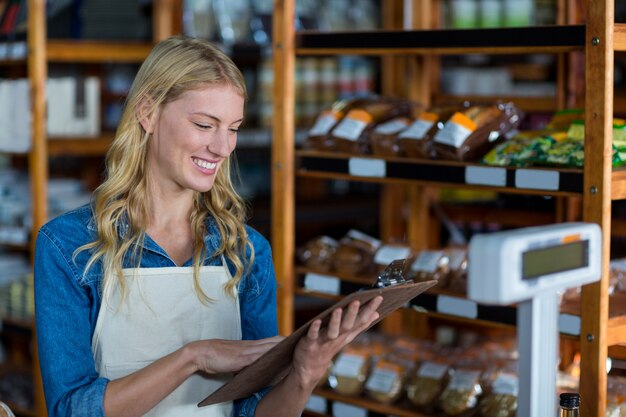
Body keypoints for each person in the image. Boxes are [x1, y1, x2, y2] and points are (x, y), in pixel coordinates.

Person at [34, 36, 382, 417]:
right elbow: (70, 409)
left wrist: (303, 374)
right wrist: (194, 357)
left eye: (233, 128)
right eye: (204, 124)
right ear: (147, 113)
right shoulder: (69, 246)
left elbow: (253, 411)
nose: (222, 147)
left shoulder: (245, 250)